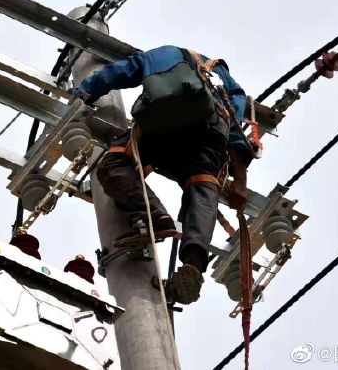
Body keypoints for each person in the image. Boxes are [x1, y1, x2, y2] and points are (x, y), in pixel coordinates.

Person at [70, 45, 253, 304]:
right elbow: (235, 124)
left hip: (160, 129)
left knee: (114, 164)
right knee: (202, 187)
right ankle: (193, 264)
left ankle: (153, 215)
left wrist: (83, 91)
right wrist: (240, 182)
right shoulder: (222, 76)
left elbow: (119, 72)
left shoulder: (163, 54)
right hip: (208, 135)